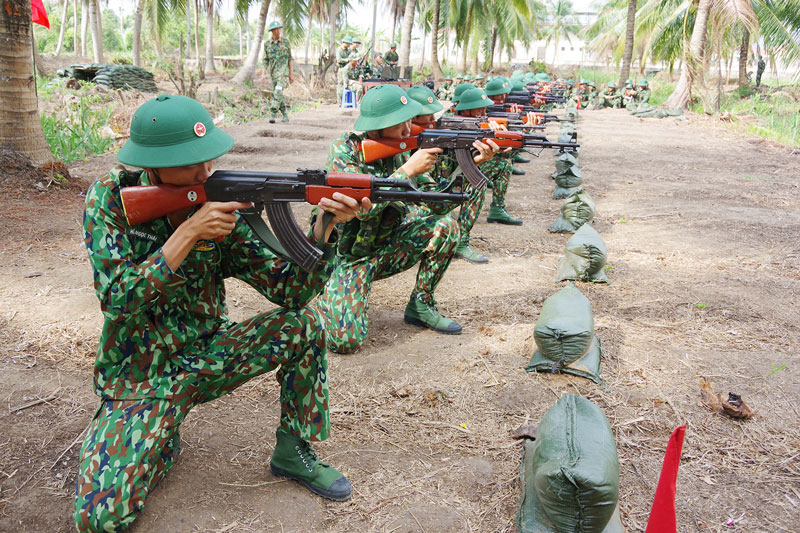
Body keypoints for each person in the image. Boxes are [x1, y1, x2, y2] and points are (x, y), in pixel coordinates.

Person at [73, 94, 365, 532]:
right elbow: (117, 298)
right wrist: (189, 232)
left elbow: (290, 291)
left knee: (303, 325)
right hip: (139, 377)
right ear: (150, 164)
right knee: (100, 519)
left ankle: (292, 451)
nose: (204, 172)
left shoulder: (221, 200)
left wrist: (323, 229)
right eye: (189, 162)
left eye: (207, 159)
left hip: (208, 355)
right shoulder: (112, 201)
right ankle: (160, 437)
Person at [314, 85, 499, 353]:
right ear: (378, 127)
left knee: (445, 226)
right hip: (347, 260)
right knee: (344, 342)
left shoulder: (403, 150)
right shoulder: (346, 150)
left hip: (386, 249)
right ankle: (327, 292)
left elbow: (438, 206)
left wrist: (471, 166)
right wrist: (405, 171)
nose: (407, 129)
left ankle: (421, 304)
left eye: (409, 121)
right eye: (400, 123)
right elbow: (361, 208)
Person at [262, 20, 294, 123]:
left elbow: (290, 58)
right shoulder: (267, 44)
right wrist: (263, 74)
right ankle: (285, 115)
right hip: (273, 74)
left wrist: (291, 74)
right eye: (275, 29)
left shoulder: (286, 42)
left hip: (283, 73)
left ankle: (273, 113)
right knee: (278, 93)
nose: (278, 31)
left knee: (278, 90)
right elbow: (265, 60)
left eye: (279, 28)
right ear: (271, 31)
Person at [336, 36, 352, 101]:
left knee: (347, 84)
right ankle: (340, 101)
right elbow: (339, 60)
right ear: (345, 43)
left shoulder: (348, 50)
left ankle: (347, 100)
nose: (349, 45)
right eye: (348, 44)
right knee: (340, 85)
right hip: (341, 69)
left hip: (347, 69)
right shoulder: (339, 50)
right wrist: (347, 60)